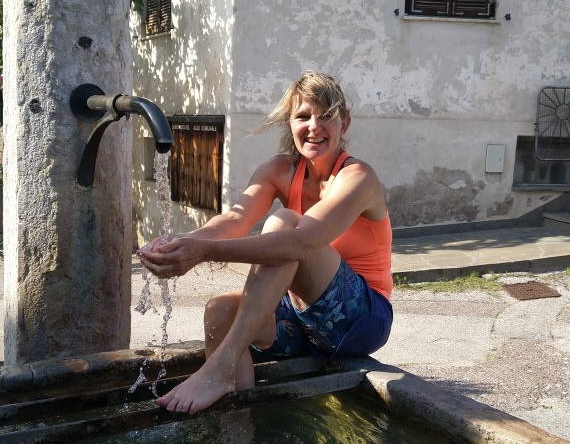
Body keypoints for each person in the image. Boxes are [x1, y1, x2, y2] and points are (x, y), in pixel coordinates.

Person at [138, 71, 393, 414]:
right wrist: (179, 241)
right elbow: (234, 219)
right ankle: (239, 430)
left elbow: (302, 243)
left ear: (344, 124)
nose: (314, 126)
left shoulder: (358, 176)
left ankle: (219, 368)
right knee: (220, 311)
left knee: (285, 223)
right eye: (303, 116)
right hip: (303, 321)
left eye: (326, 116)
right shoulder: (279, 170)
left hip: (362, 321)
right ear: (290, 124)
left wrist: (205, 251)